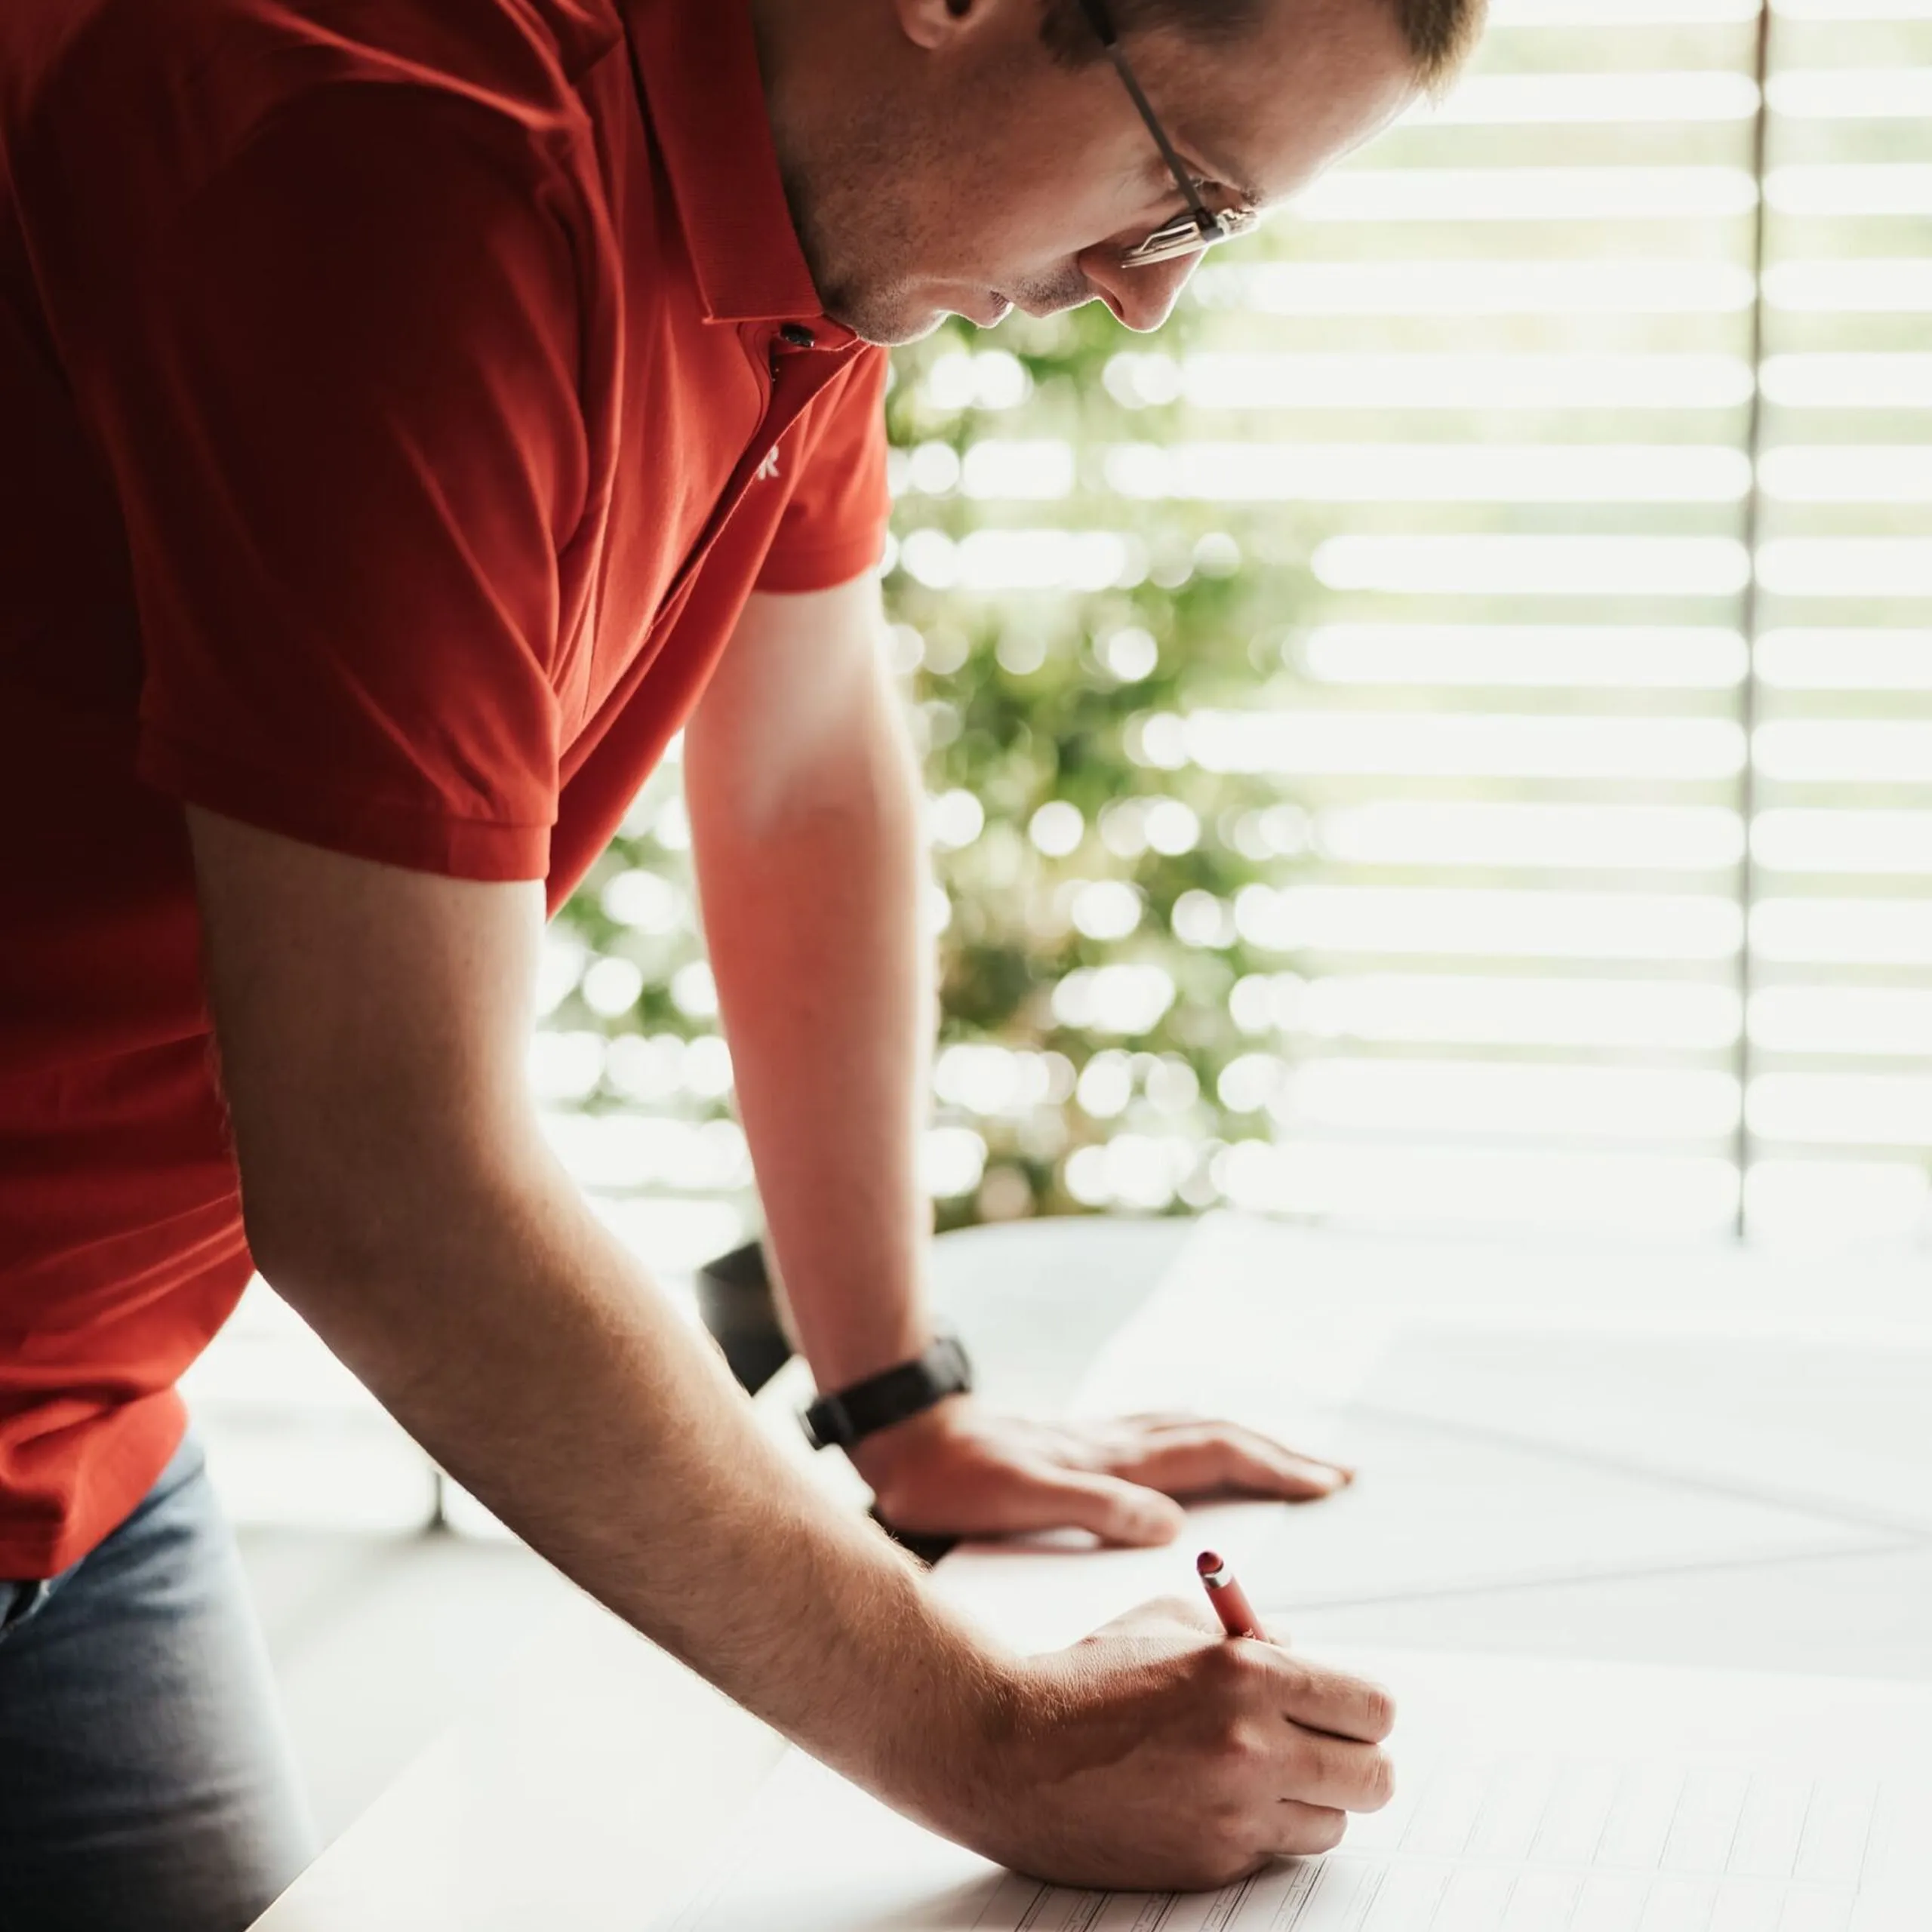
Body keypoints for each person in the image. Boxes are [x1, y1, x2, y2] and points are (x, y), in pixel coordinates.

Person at [0, 0, 1481, 1923]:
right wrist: (996, 1739)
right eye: (1179, 192)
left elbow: (792, 783)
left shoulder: (819, 212)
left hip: (77, 1426)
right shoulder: (414, 161)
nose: (1138, 297)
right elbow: (385, 1181)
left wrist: (895, 1394)